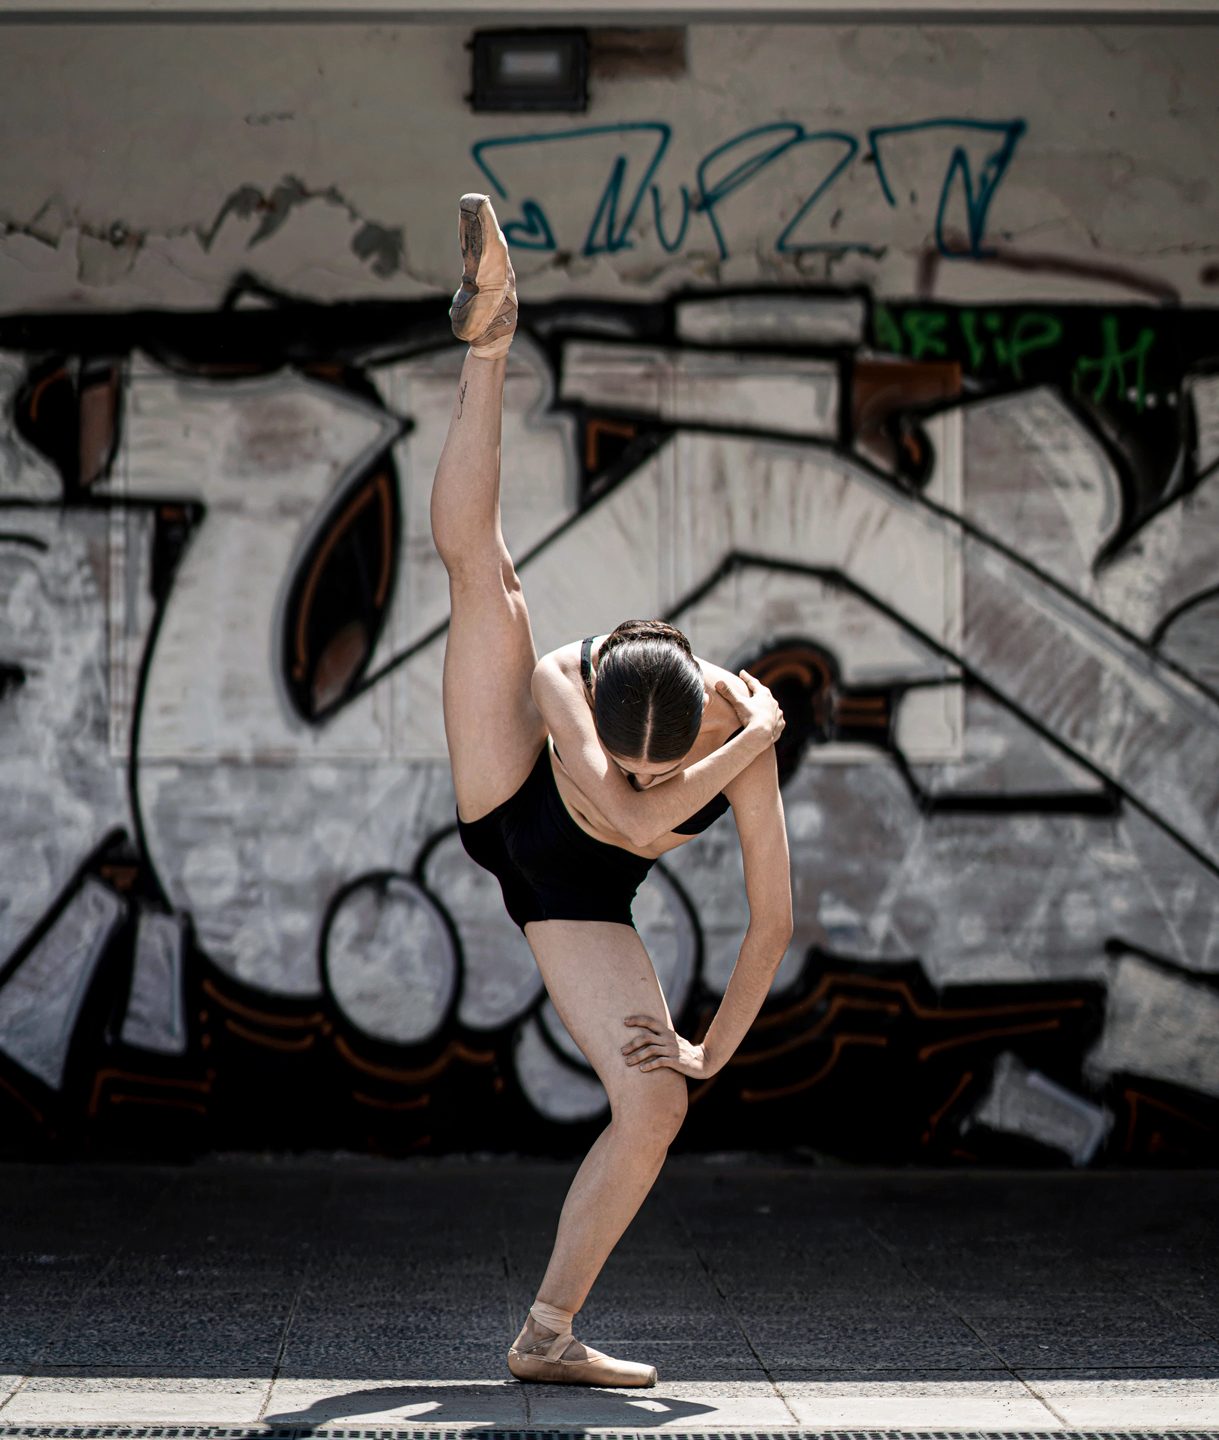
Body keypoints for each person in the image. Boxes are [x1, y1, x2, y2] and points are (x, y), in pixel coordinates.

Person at [434, 194, 793, 1388]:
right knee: (481, 576)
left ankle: (546, 1335)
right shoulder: (561, 675)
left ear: (705, 710)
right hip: (511, 808)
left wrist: (708, 1051)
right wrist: (755, 744)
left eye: (675, 753)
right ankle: (492, 340)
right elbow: (635, 812)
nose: (655, 773)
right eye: (634, 750)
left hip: (580, 898)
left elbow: (770, 919)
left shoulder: (735, 727)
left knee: (652, 1110)